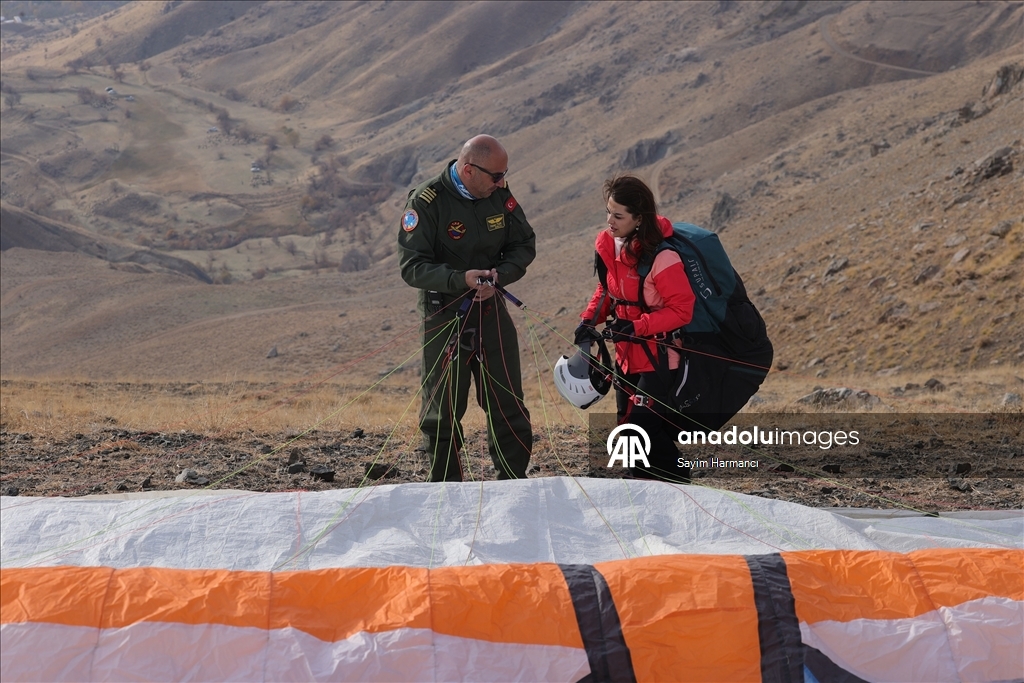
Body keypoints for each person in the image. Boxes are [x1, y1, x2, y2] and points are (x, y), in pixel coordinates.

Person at [398, 135, 536, 482]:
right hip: (445, 314)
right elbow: (412, 266)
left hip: (490, 310)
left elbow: (523, 244)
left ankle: (513, 482)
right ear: (469, 169)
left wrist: (498, 275)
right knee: (442, 407)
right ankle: (447, 485)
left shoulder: (498, 194)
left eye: (505, 175)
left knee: (508, 400)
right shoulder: (427, 202)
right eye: (496, 176)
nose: (502, 182)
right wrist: (460, 279)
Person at [576, 176, 695, 482]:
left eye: (618, 216)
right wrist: (588, 321)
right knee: (628, 429)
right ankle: (644, 490)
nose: (609, 221)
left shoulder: (663, 257)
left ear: (639, 218)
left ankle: (681, 487)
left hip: (659, 360)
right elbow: (607, 291)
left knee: (641, 429)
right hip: (626, 357)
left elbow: (682, 310)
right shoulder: (611, 248)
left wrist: (639, 326)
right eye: (608, 212)